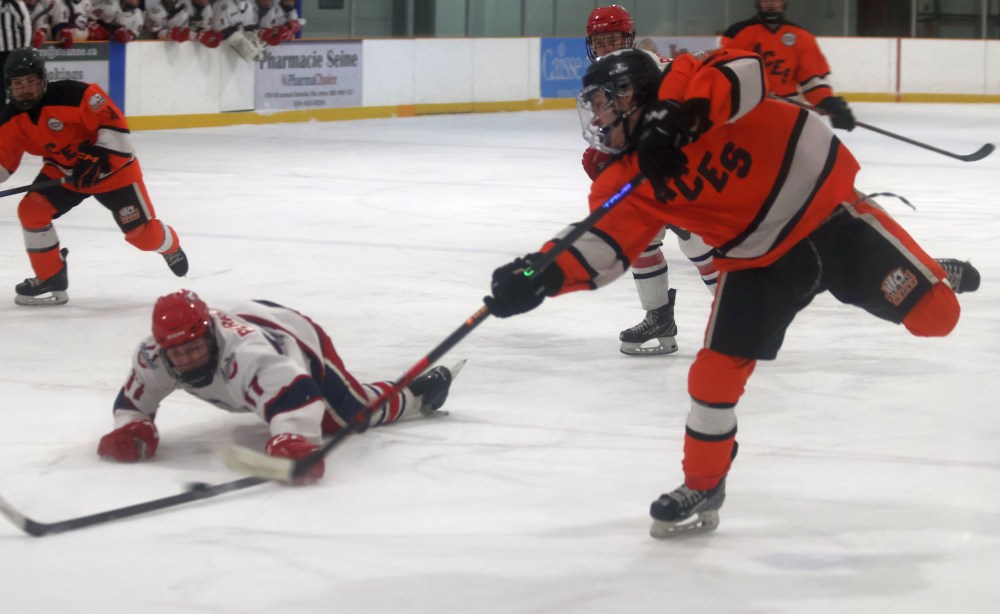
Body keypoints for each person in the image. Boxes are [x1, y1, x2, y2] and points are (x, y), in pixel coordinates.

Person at [485, 48, 980, 537]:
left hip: (830, 214)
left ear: (631, 94)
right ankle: (704, 484)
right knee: (713, 377)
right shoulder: (629, 174)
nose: (595, 117)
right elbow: (602, 243)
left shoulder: (687, 81)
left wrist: (676, 114)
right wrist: (540, 275)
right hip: (758, 259)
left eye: (602, 103)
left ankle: (927, 271)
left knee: (938, 317)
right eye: (591, 106)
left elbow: (746, 70)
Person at [98, 290, 460, 483]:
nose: (187, 359)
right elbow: (133, 402)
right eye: (177, 353)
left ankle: (419, 394)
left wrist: (293, 437)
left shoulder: (248, 356)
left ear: (209, 335)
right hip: (253, 321)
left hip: (290, 333)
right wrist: (132, 427)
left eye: (194, 347)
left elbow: (300, 396)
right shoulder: (153, 356)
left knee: (350, 417)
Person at [0, 47, 189, 306]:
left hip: (114, 173)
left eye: (30, 81)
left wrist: (100, 154)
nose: (24, 89)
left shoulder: (74, 94)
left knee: (142, 237)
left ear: (42, 79)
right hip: (66, 173)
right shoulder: (10, 118)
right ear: (9, 86)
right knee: (32, 210)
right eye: (18, 83)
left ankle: (169, 246)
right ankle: (51, 276)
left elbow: (116, 127)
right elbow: (3, 161)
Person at [583, 4, 718, 356]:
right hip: (644, 175)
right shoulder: (600, 80)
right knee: (641, 240)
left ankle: (737, 317)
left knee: (699, 244)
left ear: (628, 38)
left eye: (614, 39)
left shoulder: (651, 67)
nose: (607, 47)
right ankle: (659, 318)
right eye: (600, 41)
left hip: (680, 170)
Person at [720, 0, 856, 131]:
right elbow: (723, 73)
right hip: (747, 111)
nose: (771, 4)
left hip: (785, 112)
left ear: (784, 2)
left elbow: (812, 80)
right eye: (766, 0)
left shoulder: (802, 36)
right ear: (758, 2)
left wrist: (828, 103)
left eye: (776, 0)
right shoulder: (736, 33)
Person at [0, 0, 31, 70]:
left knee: (13, 74)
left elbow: (26, 25)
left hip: (13, 51)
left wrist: (26, 47)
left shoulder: (15, 3)